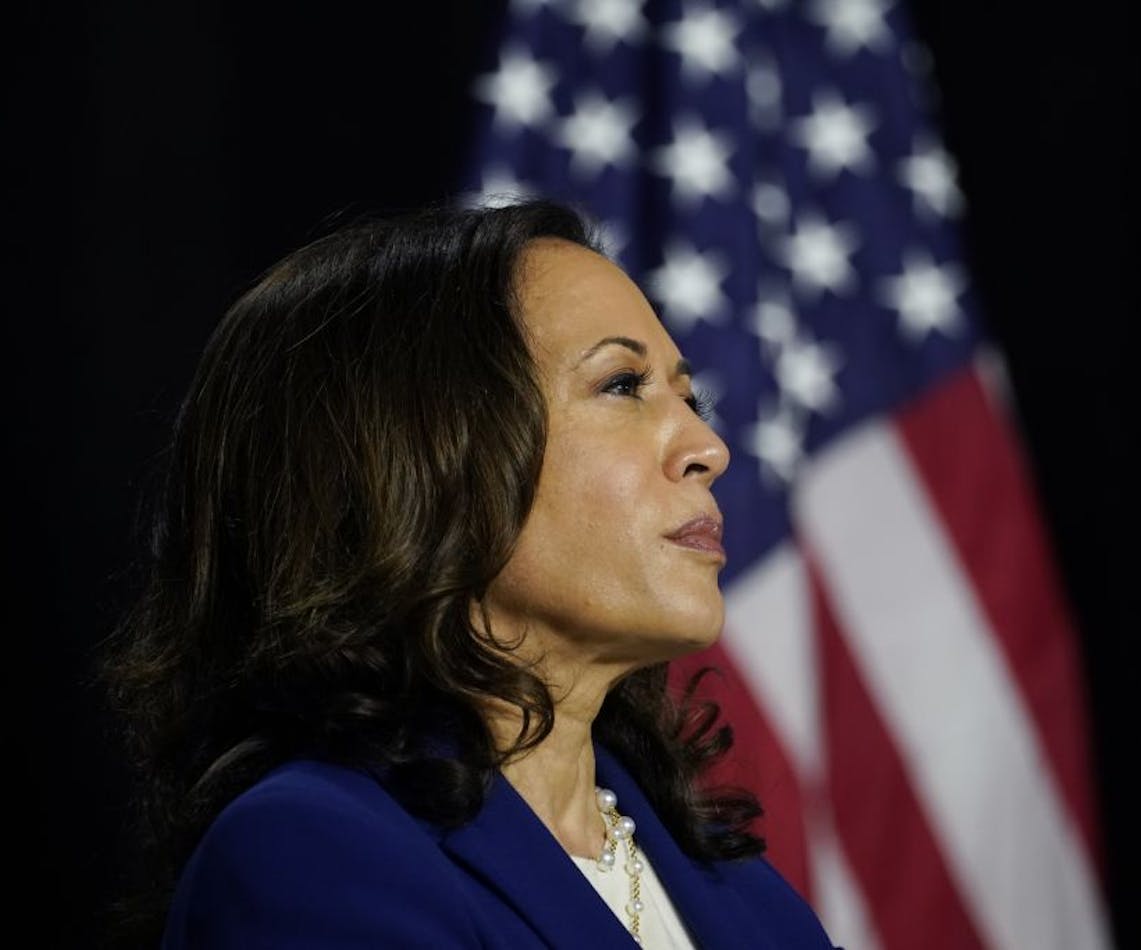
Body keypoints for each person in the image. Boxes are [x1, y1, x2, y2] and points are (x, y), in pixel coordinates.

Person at [104, 199, 839, 948]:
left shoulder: (756, 903)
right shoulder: (313, 857)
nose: (707, 447)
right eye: (622, 385)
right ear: (416, 459)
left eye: (690, 398)